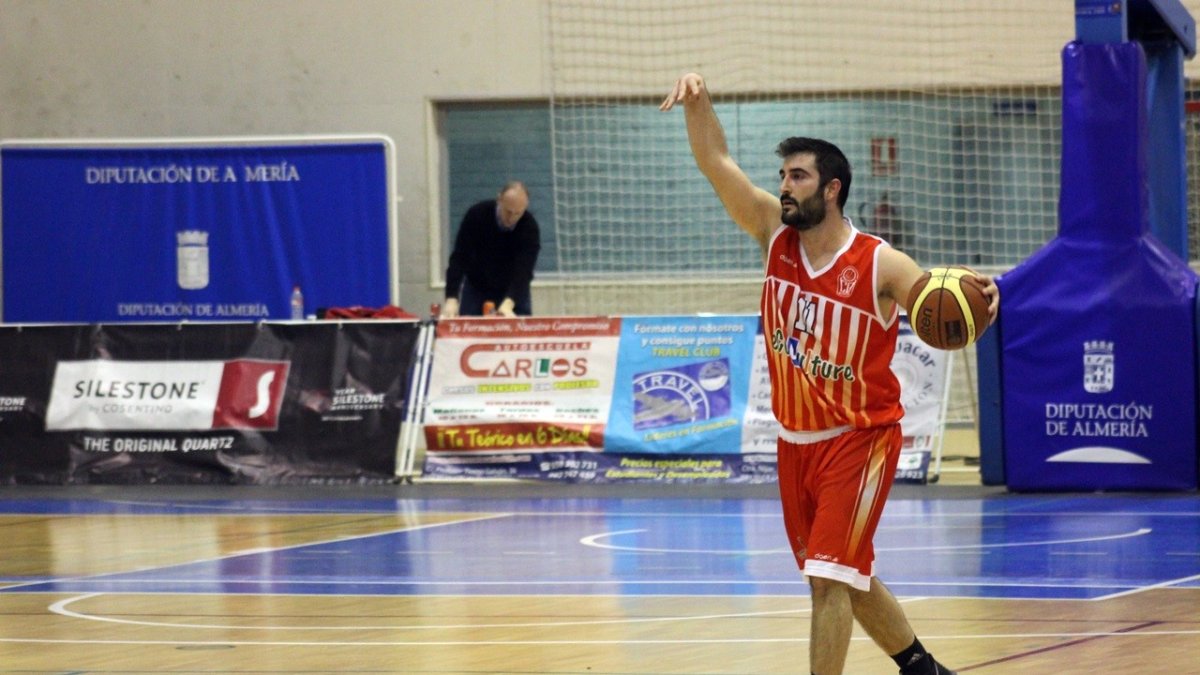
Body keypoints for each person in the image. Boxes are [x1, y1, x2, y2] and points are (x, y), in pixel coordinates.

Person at [661, 73, 998, 675]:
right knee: (847, 572)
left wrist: (985, 296)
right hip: (796, 443)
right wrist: (700, 102)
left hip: (860, 439)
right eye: (783, 176)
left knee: (826, 579)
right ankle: (923, 669)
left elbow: (939, 302)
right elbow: (715, 160)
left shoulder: (879, 262)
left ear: (832, 189)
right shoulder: (771, 233)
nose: (784, 188)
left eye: (798, 177)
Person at [440, 181, 541, 318]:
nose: (511, 218)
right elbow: (459, 257)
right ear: (499, 199)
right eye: (508, 211)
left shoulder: (529, 227)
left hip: (513, 288)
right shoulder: (476, 215)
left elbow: (524, 270)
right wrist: (451, 298)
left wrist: (509, 303)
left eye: (517, 213)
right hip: (477, 286)